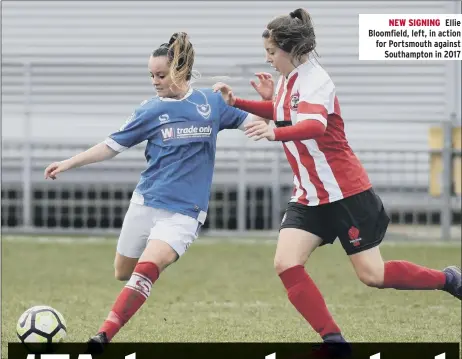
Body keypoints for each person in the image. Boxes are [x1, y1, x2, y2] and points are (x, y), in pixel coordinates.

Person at [213, 8, 461, 347]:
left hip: (344, 192)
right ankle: (333, 341)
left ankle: (448, 279)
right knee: (286, 263)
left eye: (272, 53)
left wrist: (274, 133)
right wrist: (239, 102)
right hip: (309, 194)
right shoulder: (290, 79)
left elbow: (315, 125)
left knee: (373, 275)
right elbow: (284, 112)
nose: (268, 59)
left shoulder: (317, 80)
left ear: (290, 50)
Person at [44, 32, 257, 350]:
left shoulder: (210, 103)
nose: (155, 81)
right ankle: (144, 273)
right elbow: (110, 146)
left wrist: (273, 120)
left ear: (180, 70)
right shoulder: (150, 110)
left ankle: (103, 335)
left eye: (161, 74)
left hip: (185, 212)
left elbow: (254, 119)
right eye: (152, 75)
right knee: (123, 271)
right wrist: (68, 163)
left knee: (147, 269)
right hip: (145, 203)